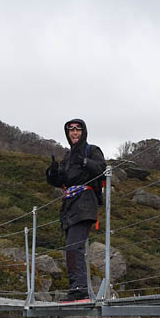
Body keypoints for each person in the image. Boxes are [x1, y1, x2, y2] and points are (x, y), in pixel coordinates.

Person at [45, 118, 106, 301]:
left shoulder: (92, 150)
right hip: (70, 205)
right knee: (71, 247)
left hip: (85, 202)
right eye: (71, 130)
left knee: (74, 246)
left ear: (83, 132)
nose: (74, 133)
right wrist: (52, 173)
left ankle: (79, 290)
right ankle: (76, 289)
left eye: (78, 129)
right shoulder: (68, 156)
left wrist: (85, 161)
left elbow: (102, 169)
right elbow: (63, 181)